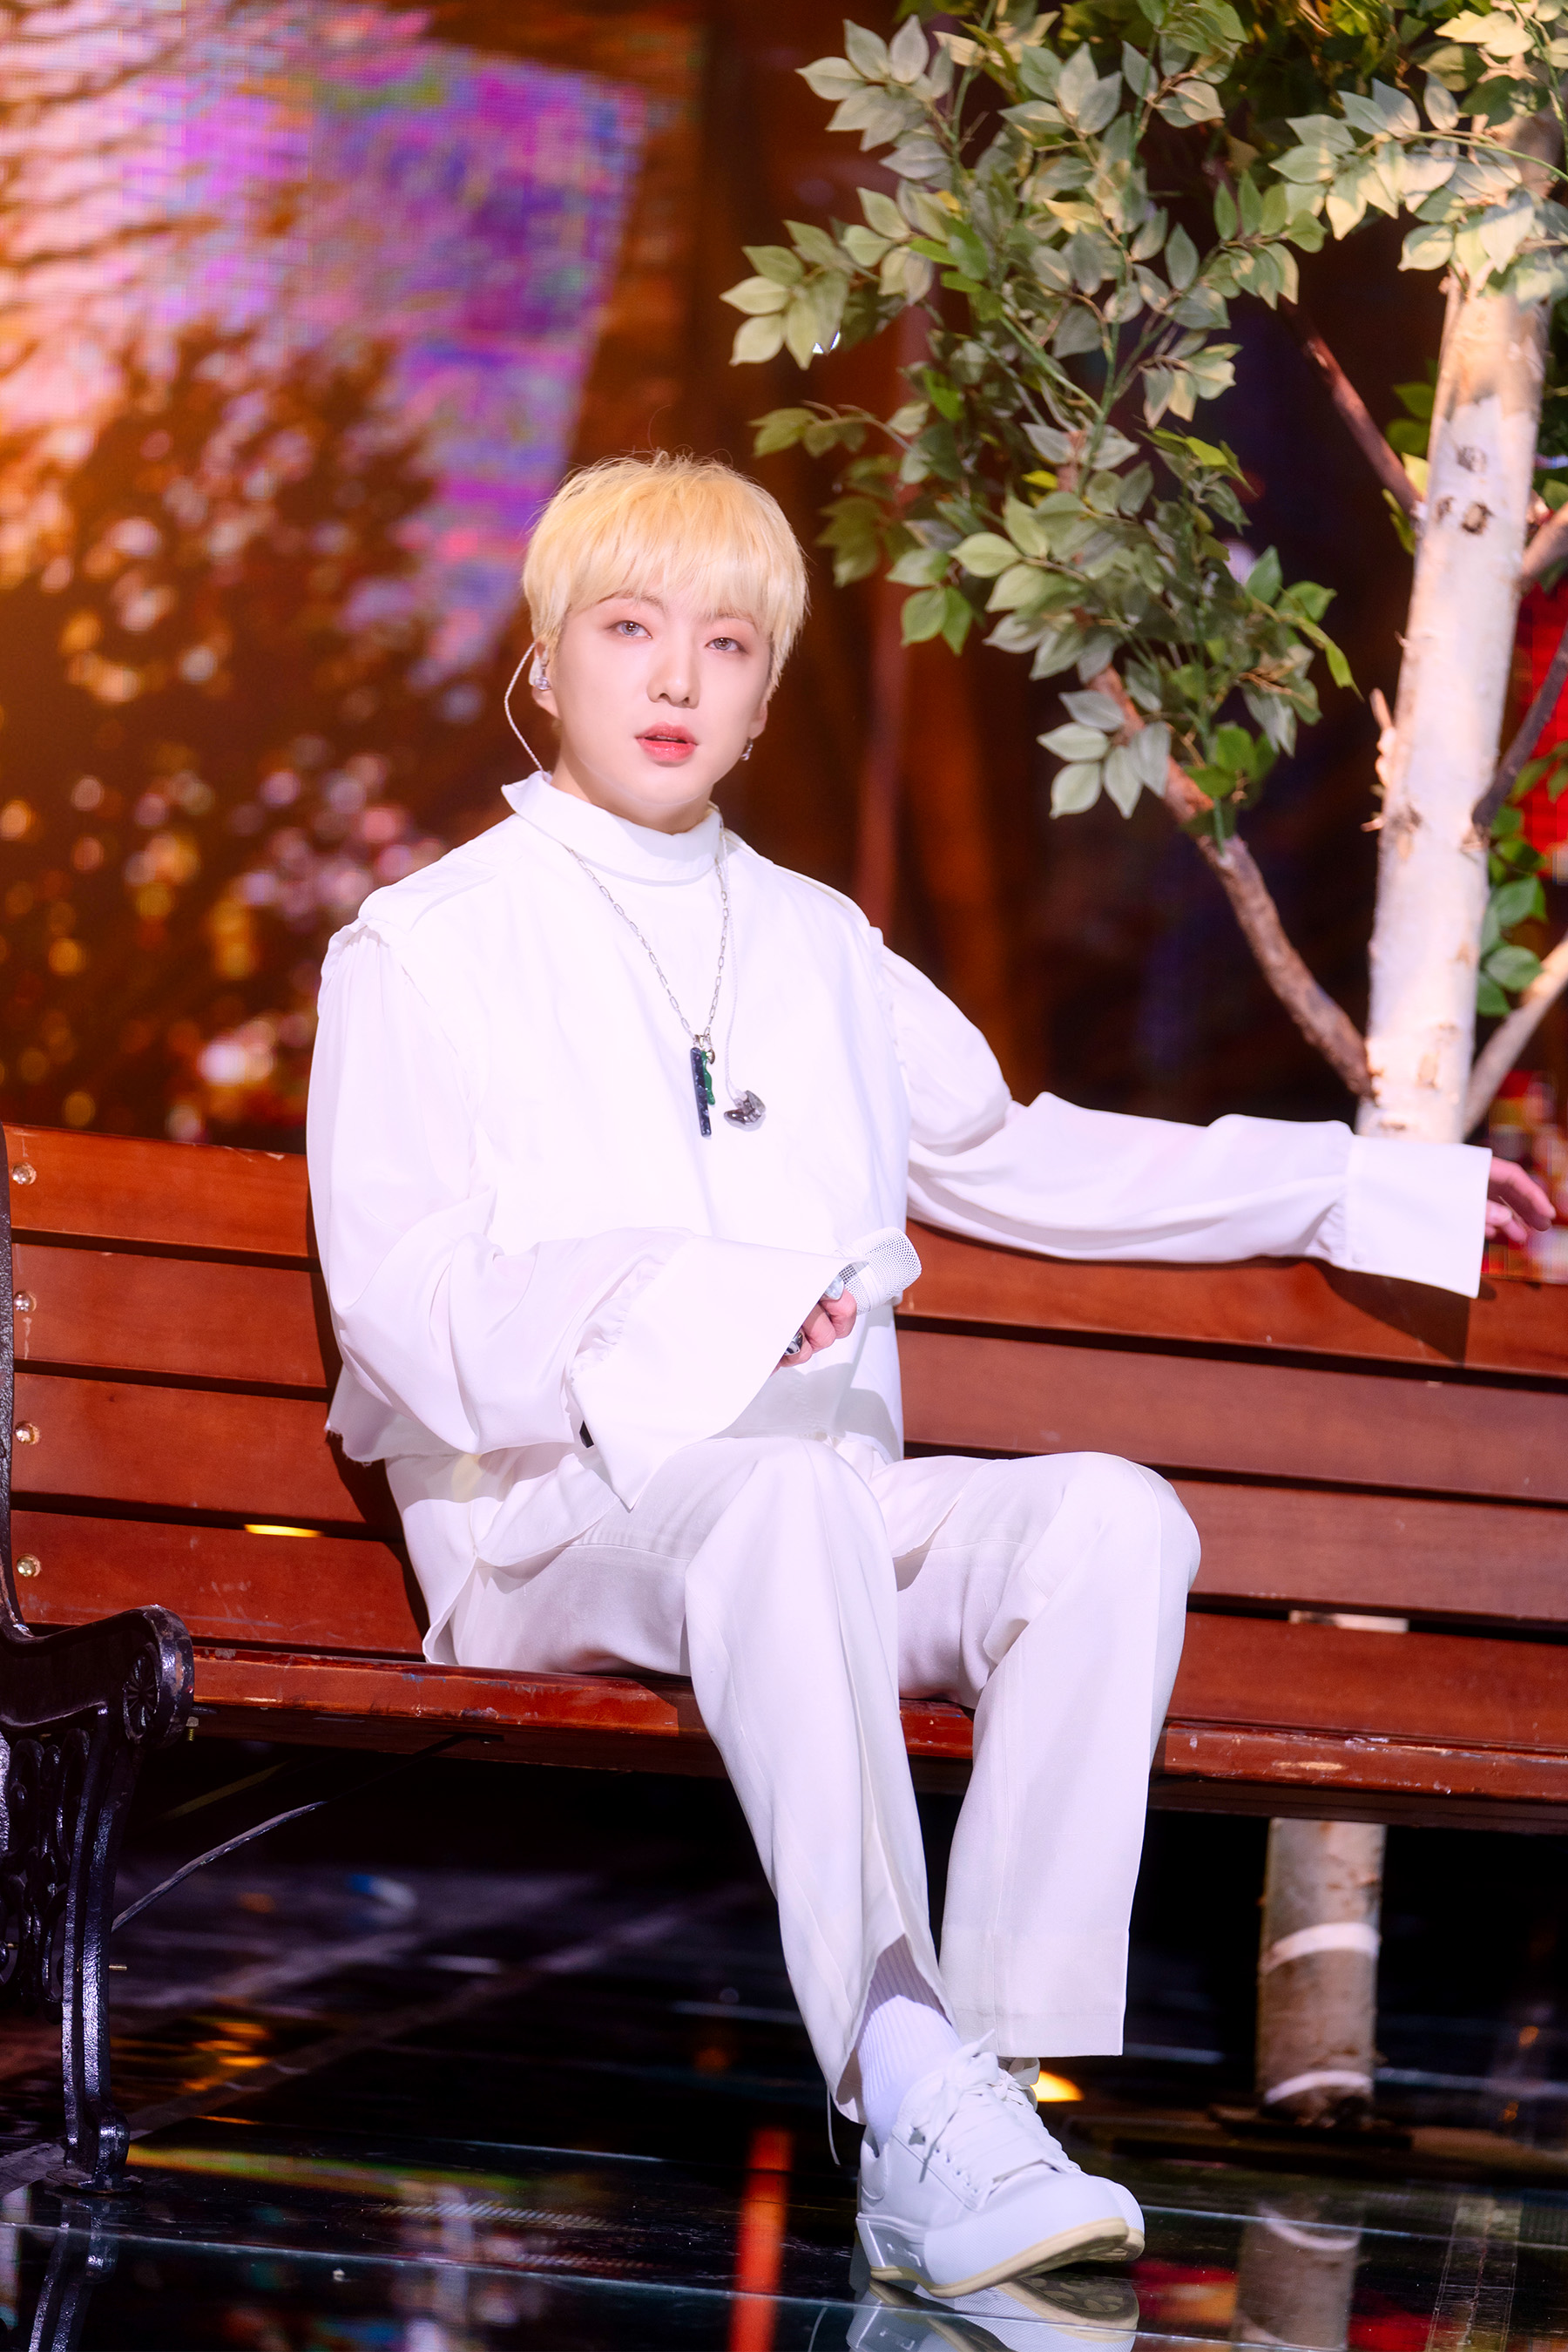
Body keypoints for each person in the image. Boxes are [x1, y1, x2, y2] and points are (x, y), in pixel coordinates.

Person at [306, 453, 1553, 2303]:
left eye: (728, 644)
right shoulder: (427, 948)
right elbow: (406, 1305)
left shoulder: (818, 943)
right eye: (630, 630)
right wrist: (695, 1309)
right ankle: (903, 2075)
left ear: (763, 695)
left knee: (1107, 1523)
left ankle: (980, 2087)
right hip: (558, 1528)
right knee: (781, 1502)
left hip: (820, 1510)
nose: (676, 678)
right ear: (546, 660)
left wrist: (1372, 1183)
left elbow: (1027, 1158)